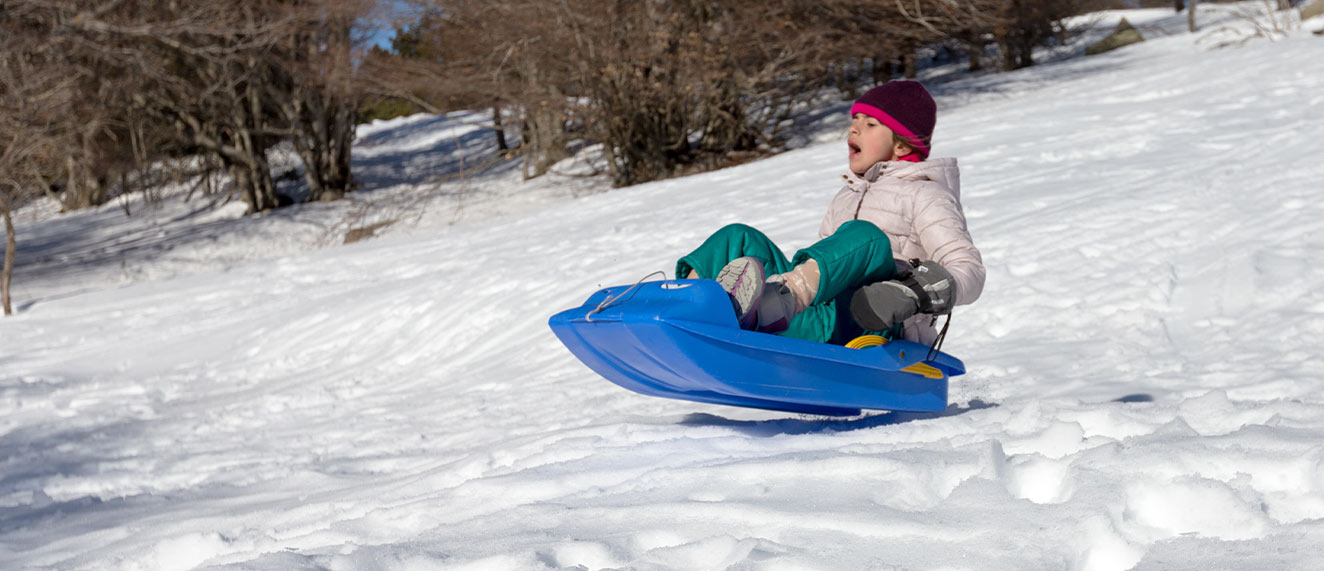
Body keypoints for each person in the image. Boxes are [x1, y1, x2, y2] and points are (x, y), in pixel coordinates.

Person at [676, 80, 984, 346]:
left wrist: (912, 292)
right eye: (855, 120)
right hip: (822, 316)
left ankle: (773, 303)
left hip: (875, 326)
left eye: (870, 124)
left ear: (902, 145)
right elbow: (826, 264)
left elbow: (969, 269)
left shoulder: (927, 194)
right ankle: (684, 309)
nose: (854, 128)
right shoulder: (846, 196)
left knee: (866, 237)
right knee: (738, 237)